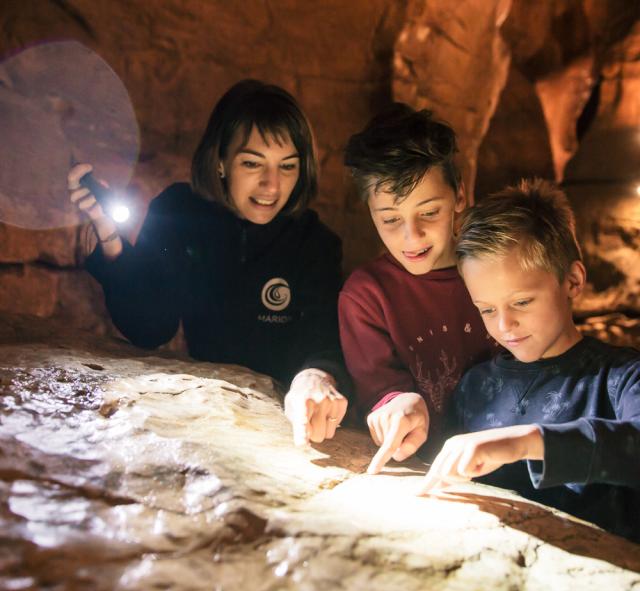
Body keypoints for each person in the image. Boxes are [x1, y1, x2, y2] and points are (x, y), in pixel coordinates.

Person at [68, 79, 348, 446]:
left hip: (289, 426)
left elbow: (323, 340)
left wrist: (317, 374)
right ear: (220, 161)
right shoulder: (180, 214)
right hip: (205, 422)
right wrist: (109, 237)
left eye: (288, 166)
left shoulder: (315, 243)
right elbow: (150, 327)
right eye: (252, 163)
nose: (271, 185)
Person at [418, 179, 640, 541]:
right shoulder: (475, 386)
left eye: (521, 302)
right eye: (486, 309)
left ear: (572, 281)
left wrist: (527, 442)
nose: (504, 325)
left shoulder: (621, 378)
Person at [340, 104, 495, 474]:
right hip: (427, 472)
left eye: (429, 212)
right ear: (370, 211)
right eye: (391, 219)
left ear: (460, 194)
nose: (412, 236)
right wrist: (395, 405)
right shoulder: (366, 297)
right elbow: (381, 393)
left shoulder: (496, 269)